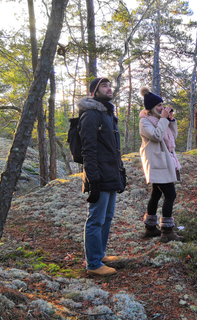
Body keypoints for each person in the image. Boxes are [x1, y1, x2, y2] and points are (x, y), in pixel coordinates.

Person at [78, 77, 125, 276]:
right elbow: (88, 150)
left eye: (109, 85)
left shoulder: (107, 114)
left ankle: (100, 254)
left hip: (110, 175)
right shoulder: (91, 115)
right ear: (94, 92)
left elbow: (112, 149)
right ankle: (94, 264)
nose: (109, 88)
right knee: (95, 219)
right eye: (104, 86)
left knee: (107, 217)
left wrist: (120, 173)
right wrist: (93, 180)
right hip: (99, 176)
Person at [138, 86, 185, 243]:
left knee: (156, 194)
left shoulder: (160, 120)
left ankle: (151, 228)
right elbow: (157, 136)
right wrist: (164, 119)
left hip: (163, 162)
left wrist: (170, 119)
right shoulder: (145, 122)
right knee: (170, 194)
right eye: (158, 105)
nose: (161, 107)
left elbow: (173, 136)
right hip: (157, 163)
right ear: (151, 108)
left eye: (162, 105)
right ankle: (167, 231)